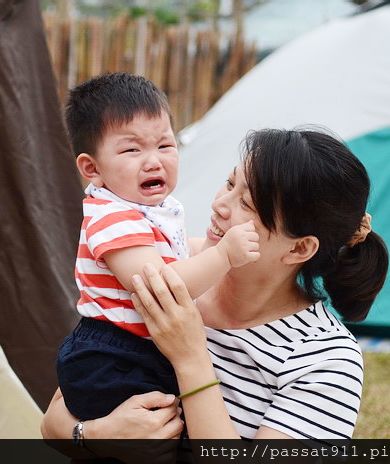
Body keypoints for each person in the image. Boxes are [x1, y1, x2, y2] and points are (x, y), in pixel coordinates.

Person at [43, 127, 388, 459]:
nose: (220, 205)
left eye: (248, 204)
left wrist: (190, 357)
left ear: (299, 250)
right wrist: (95, 435)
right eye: (229, 183)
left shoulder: (324, 358)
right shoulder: (170, 272)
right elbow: (53, 421)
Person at [58, 72, 260, 424]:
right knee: (151, 432)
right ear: (92, 168)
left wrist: (209, 245)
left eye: (164, 145)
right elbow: (163, 287)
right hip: (113, 355)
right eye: (132, 149)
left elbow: (175, 252)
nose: (153, 161)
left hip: (138, 349)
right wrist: (223, 255)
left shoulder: (145, 210)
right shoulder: (112, 217)